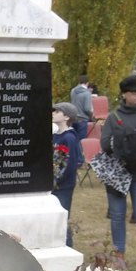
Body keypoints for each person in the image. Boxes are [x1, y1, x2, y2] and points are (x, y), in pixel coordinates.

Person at [100, 73, 136, 263]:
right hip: (118, 174)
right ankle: (118, 256)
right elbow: (105, 143)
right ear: (124, 95)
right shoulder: (114, 116)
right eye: (135, 93)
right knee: (117, 216)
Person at [52, 102, 80, 247]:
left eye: (58, 111)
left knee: (61, 217)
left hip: (62, 186)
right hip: (52, 185)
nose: (53, 113)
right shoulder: (55, 135)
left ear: (67, 116)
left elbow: (67, 165)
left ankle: (68, 246)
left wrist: (54, 182)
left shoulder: (68, 138)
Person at [70, 75, 94, 142]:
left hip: (73, 118)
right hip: (82, 120)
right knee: (82, 142)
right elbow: (87, 108)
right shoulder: (87, 93)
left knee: (74, 140)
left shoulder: (73, 91)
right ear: (87, 83)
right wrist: (91, 115)